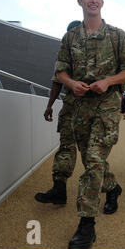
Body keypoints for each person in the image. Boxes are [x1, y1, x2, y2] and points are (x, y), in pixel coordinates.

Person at [54, 0, 125, 249]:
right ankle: (112, 188)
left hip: (107, 107)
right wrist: (71, 84)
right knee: (95, 162)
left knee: (92, 161)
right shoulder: (70, 38)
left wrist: (109, 81)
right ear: (79, 1)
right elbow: (61, 72)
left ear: (102, 2)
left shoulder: (117, 35)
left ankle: (86, 226)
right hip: (80, 109)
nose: (93, 0)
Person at [35, 20, 81, 206]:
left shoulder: (97, 51)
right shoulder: (65, 55)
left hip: (93, 111)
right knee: (66, 147)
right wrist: (49, 105)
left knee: (92, 155)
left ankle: (111, 188)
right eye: (68, 34)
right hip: (70, 108)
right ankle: (59, 189)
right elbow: (57, 81)